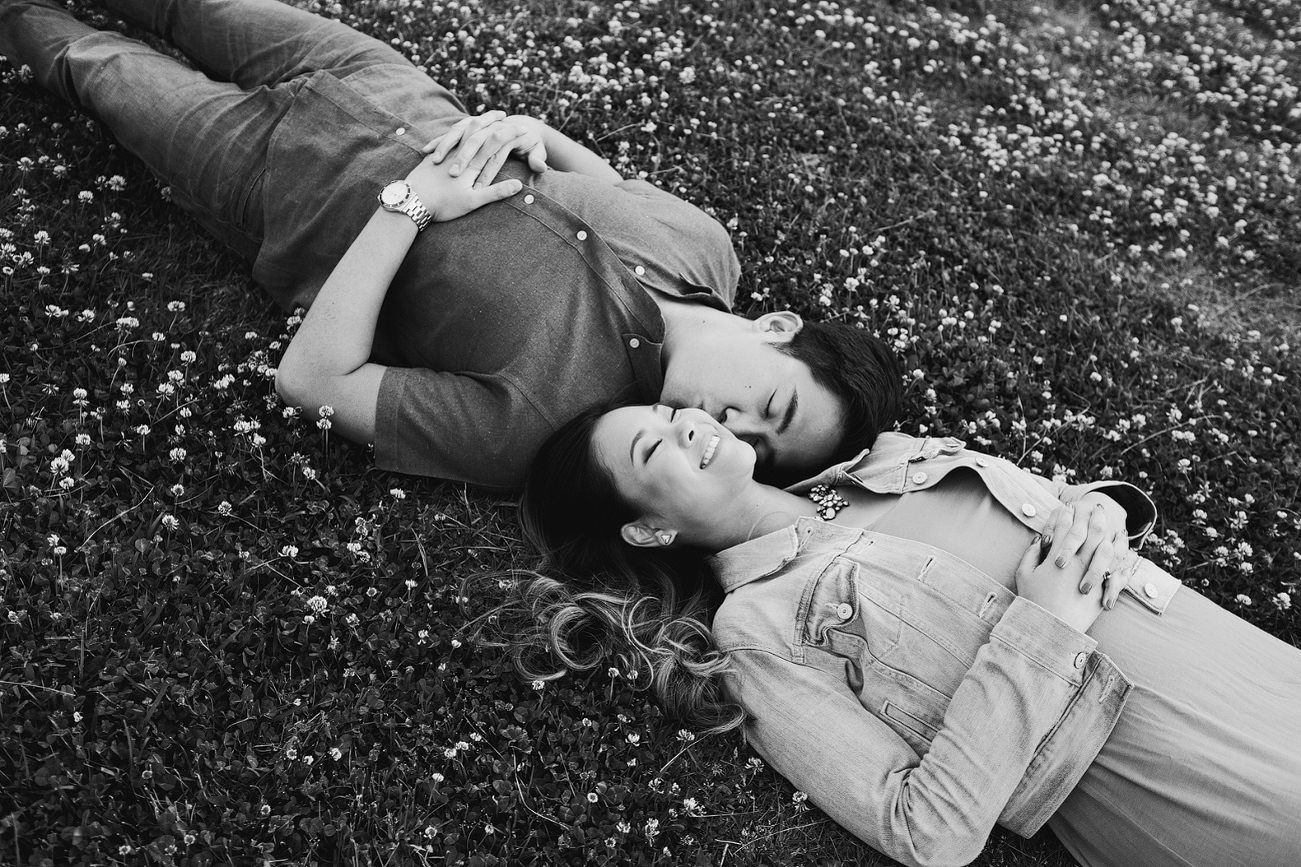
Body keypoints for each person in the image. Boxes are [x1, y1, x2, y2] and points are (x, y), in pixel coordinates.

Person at [0, 0, 897, 489]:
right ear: (776, 326)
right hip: (383, 83)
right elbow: (608, 185)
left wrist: (408, 207)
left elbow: (314, 383)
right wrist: (533, 131)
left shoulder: (543, 429)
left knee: (90, 63)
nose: (731, 430)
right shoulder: (706, 249)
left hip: (274, 184)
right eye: (770, 408)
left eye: (759, 452)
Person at [507, 398, 1301, 867]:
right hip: (1166, 759)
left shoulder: (886, 460)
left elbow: (1061, 507)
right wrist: (1045, 626)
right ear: (647, 531)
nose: (691, 425)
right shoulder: (756, 625)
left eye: (672, 412)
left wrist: (1099, 507)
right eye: (657, 447)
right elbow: (924, 829)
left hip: (1239, 658)